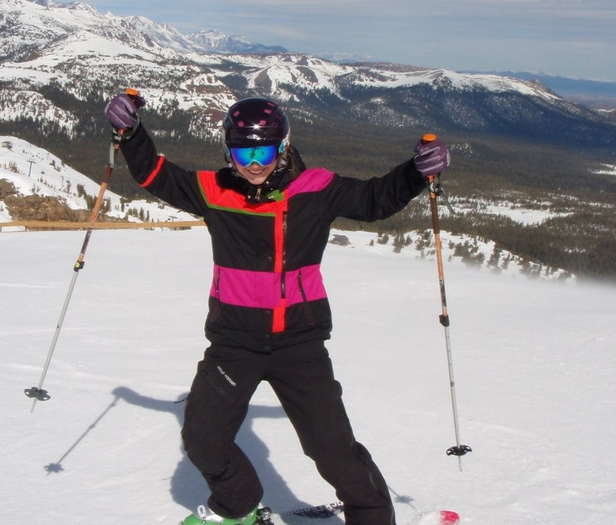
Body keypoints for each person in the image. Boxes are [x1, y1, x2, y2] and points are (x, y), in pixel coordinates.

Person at [104, 91, 450, 525]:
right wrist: (130, 131)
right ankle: (238, 506)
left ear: (283, 146)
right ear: (228, 151)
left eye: (264, 151)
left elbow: (374, 199)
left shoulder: (317, 188)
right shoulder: (213, 190)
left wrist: (417, 172)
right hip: (234, 344)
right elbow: (154, 174)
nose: (254, 164)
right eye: (243, 152)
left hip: (298, 344)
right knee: (202, 438)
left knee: (332, 450)